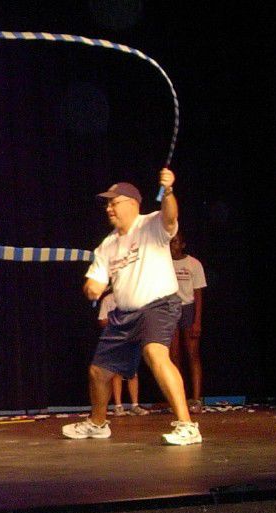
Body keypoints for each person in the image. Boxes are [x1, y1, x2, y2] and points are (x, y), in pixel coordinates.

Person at [65, 169, 202, 445]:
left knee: (155, 353)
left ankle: (188, 426)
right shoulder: (107, 247)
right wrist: (92, 288)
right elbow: (94, 282)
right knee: (98, 371)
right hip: (124, 314)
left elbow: (171, 216)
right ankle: (98, 423)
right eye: (107, 203)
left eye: (113, 202)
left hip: (159, 304)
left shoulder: (151, 224)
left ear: (132, 204)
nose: (108, 208)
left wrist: (170, 190)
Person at [169, 231, 206, 412]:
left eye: (175, 242)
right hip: (170, 309)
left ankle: (197, 399)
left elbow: (198, 294)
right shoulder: (164, 264)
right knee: (174, 357)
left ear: (182, 244)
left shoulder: (193, 264)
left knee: (192, 355)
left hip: (188, 308)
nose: (171, 245)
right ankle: (180, 399)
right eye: (169, 242)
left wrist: (197, 321)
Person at [97, 293, 147, 416]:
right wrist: (116, 322)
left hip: (131, 339)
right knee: (116, 373)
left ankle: (135, 405)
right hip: (115, 339)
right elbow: (102, 320)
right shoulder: (108, 299)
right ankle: (118, 406)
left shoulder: (133, 297)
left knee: (133, 373)